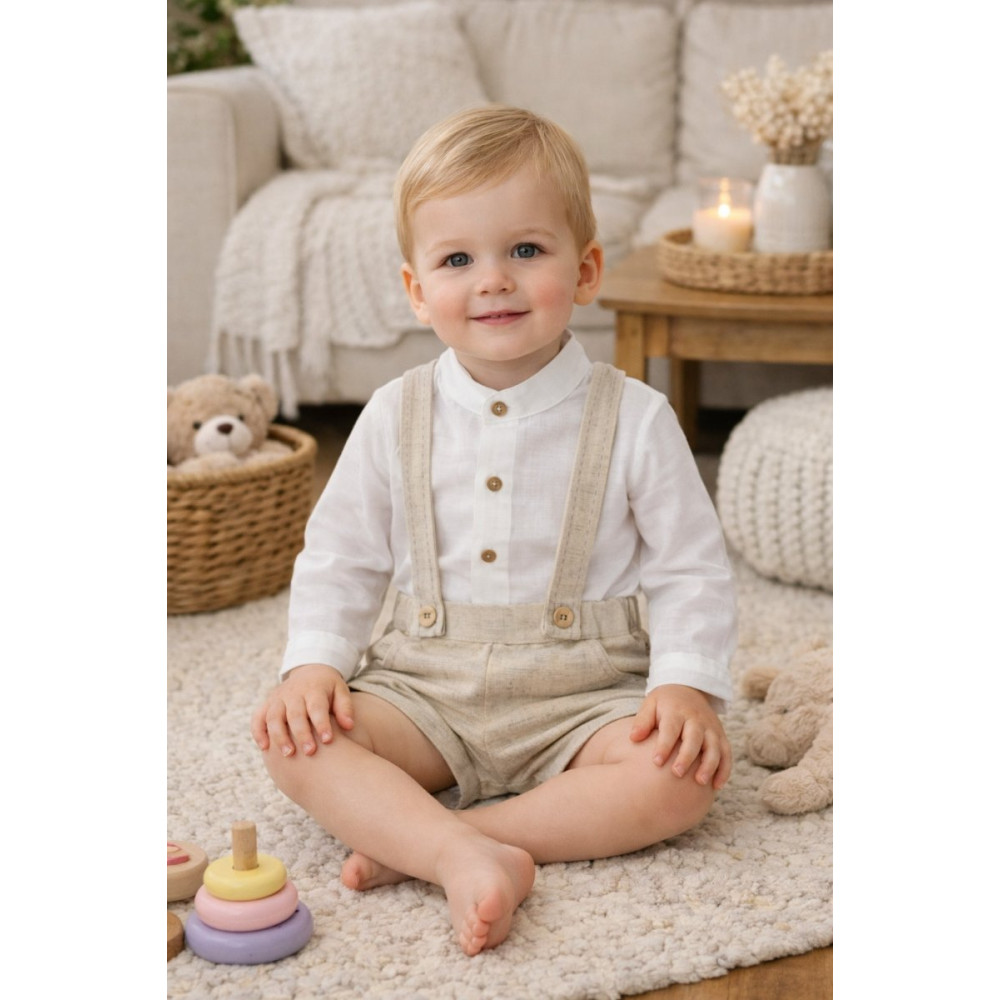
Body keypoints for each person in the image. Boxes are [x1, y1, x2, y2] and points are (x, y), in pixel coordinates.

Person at [251, 105, 738, 957]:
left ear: (585, 270)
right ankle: (455, 851)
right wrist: (315, 665)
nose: (493, 281)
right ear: (417, 291)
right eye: (457, 260)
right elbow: (341, 557)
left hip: (584, 695)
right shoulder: (393, 412)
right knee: (296, 744)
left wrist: (685, 686)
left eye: (525, 250)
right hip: (423, 687)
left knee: (680, 779)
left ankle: (452, 840)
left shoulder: (636, 416)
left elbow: (690, 568)